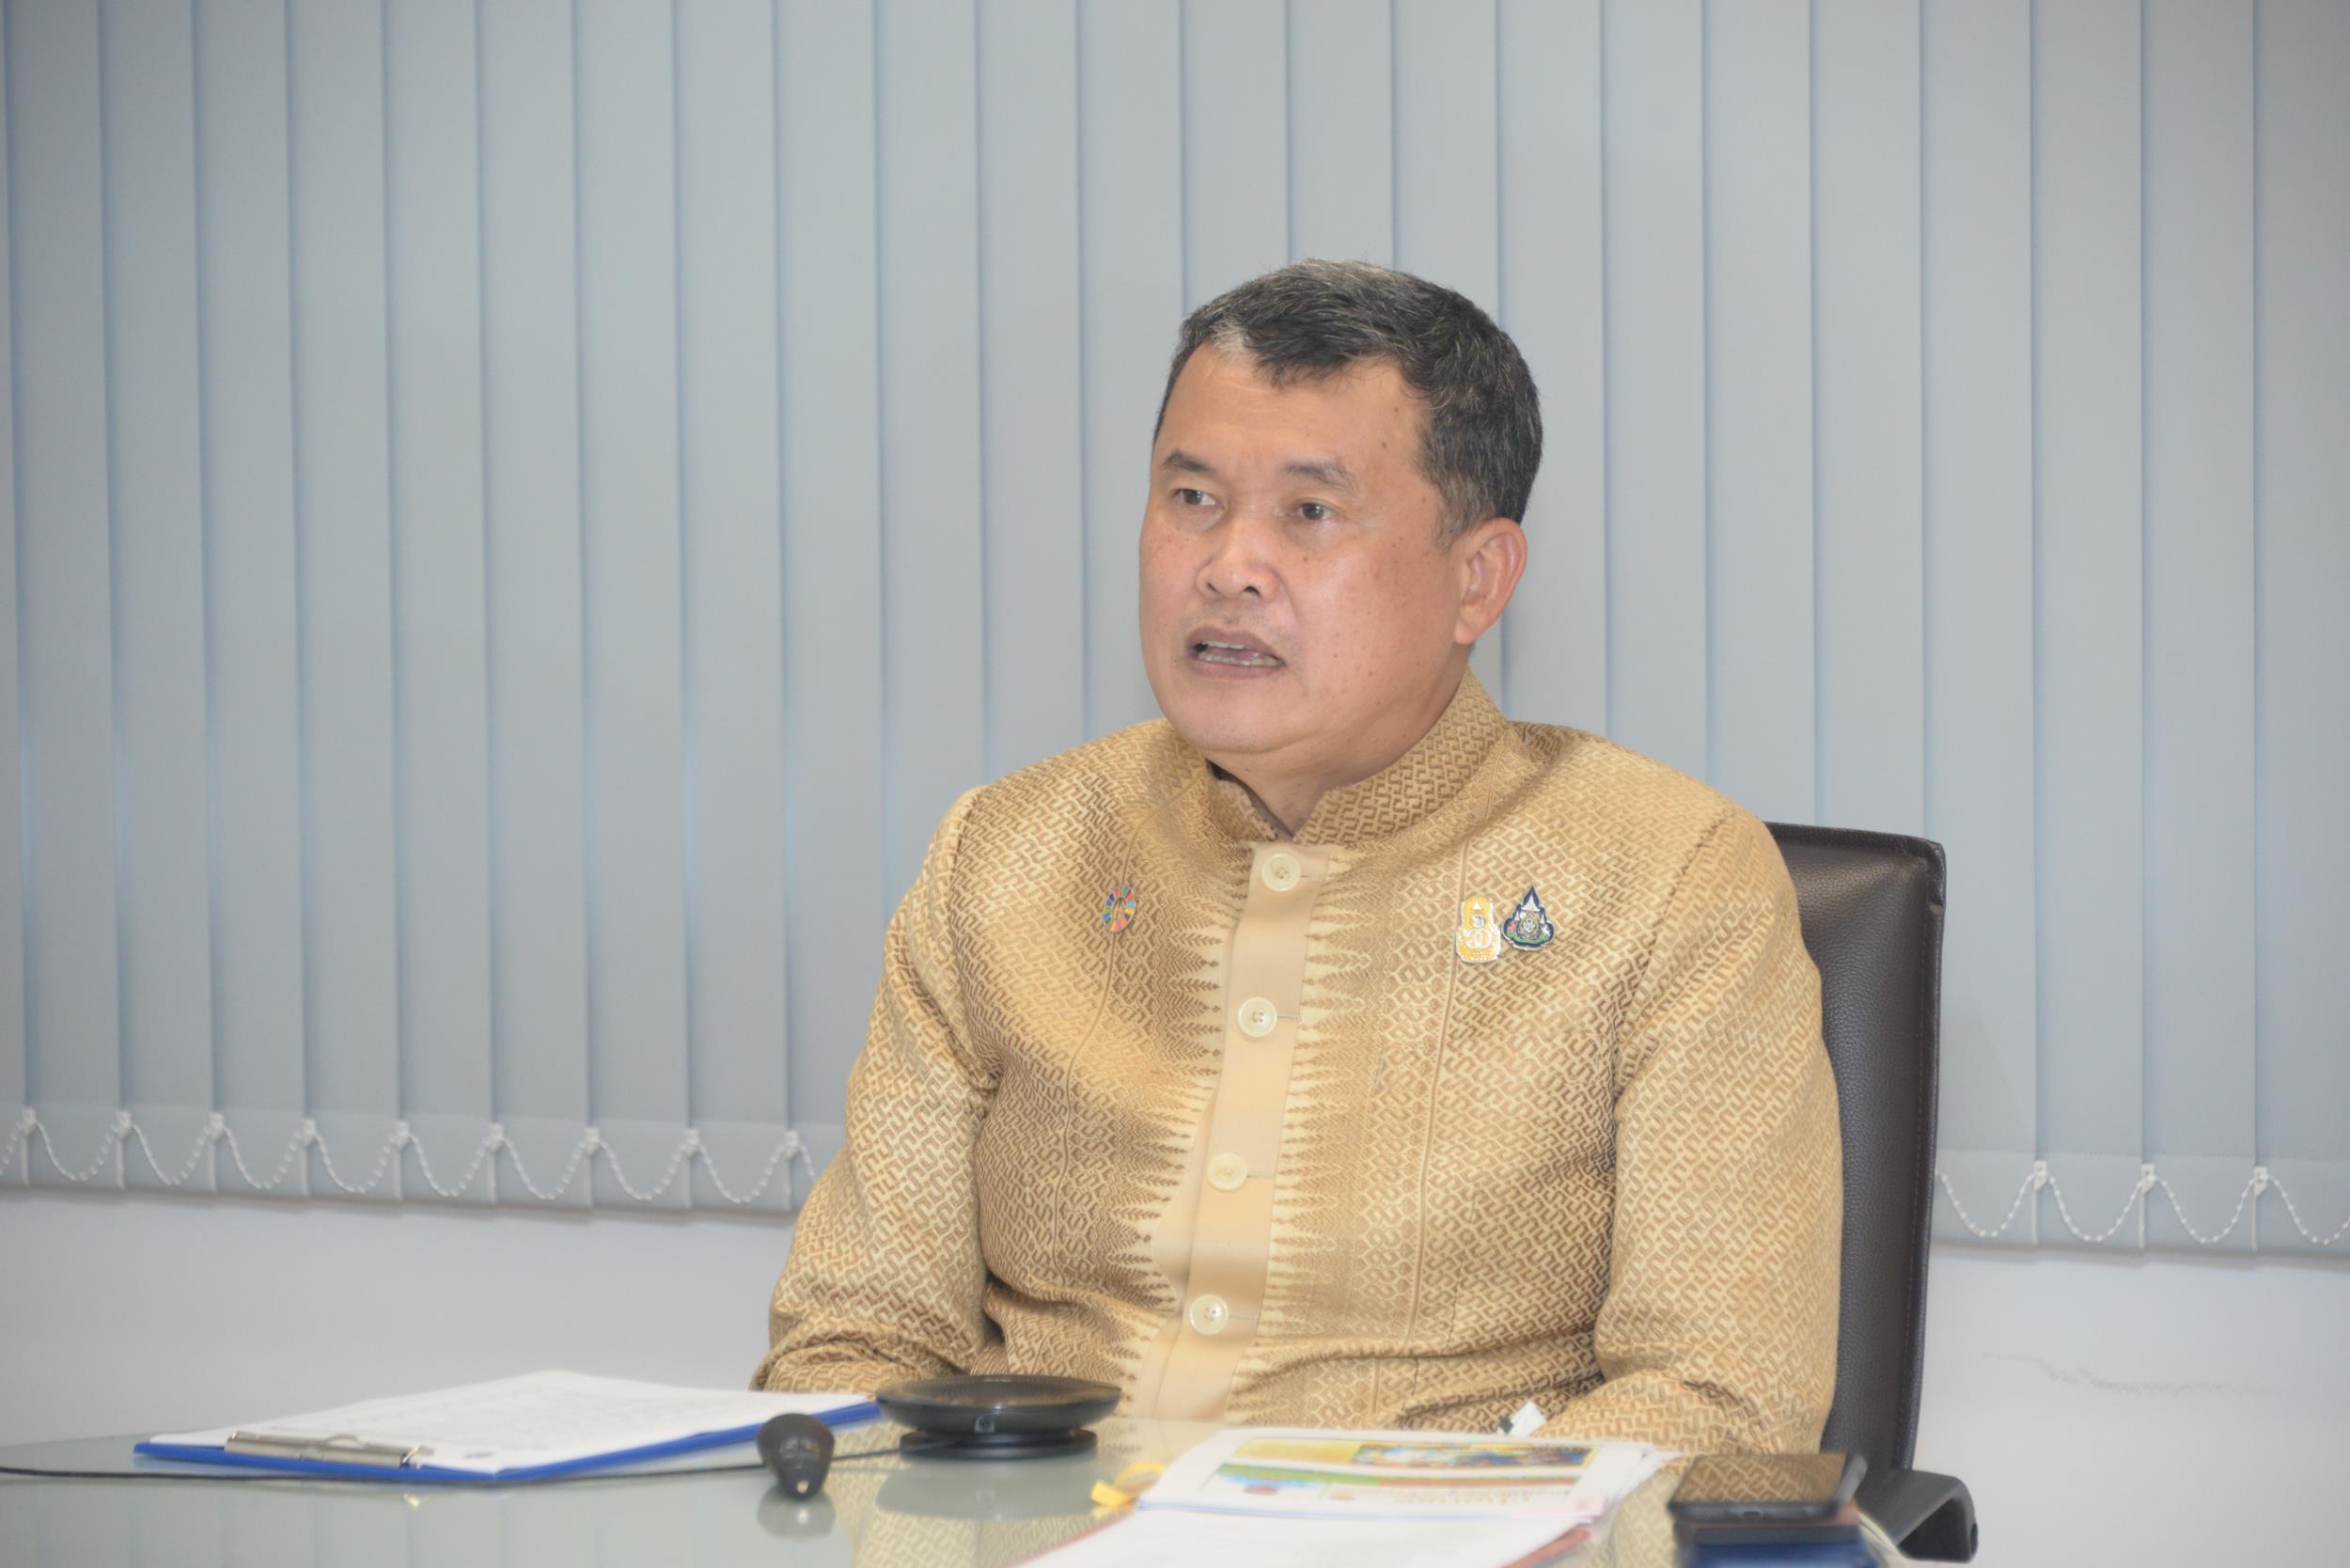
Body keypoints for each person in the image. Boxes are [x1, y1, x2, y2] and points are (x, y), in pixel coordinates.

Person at [754, 260, 1841, 1455]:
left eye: (1309, 513)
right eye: (1192, 498)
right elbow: (852, 1342)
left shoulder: (1669, 879)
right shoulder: (1006, 856)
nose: (1228, 566)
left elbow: (1720, 1397)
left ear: (1476, 580)